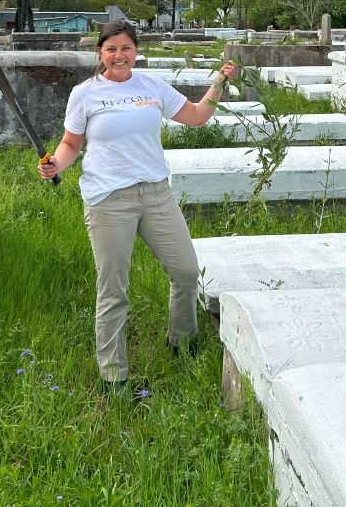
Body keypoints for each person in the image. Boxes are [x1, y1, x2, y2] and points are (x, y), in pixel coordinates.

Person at [38, 20, 239, 390]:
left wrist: (218, 84)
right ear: (100, 52)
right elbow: (70, 144)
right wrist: (56, 165)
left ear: (136, 51)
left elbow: (195, 116)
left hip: (156, 193)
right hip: (109, 200)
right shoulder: (85, 94)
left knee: (185, 271)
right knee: (114, 287)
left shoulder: (151, 86)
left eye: (126, 48)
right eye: (111, 48)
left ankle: (182, 342)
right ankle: (113, 374)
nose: (119, 55)